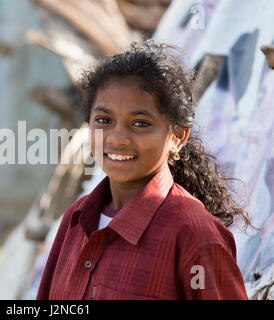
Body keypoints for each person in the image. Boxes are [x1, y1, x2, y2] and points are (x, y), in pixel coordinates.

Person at [36, 41, 253, 300]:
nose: (117, 138)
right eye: (104, 120)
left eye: (140, 123)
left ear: (177, 137)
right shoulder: (76, 219)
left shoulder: (194, 234)